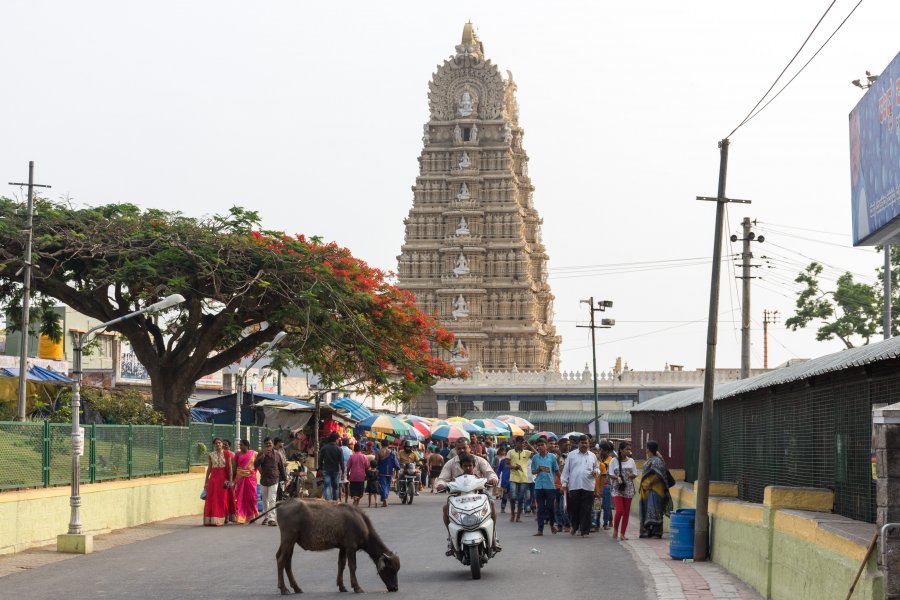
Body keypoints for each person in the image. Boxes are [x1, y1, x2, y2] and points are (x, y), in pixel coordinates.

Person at [435, 439, 500, 553]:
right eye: (459, 448)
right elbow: (442, 478)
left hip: (479, 494)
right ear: (455, 449)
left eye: (464, 448)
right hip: (457, 496)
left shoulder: (479, 460)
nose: (461, 450)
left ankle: (493, 537)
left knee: (492, 504)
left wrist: (493, 479)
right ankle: (452, 539)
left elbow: (490, 472)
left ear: (469, 447)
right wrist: (441, 485)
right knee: (446, 509)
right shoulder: (450, 463)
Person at [560, 435, 600, 537]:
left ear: (589, 443)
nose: (584, 445)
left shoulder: (592, 456)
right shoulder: (572, 455)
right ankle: (574, 526)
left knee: (586, 509)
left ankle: (585, 531)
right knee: (574, 509)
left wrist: (596, 472)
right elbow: (566, 470)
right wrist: (564, 483)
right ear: (578, 444)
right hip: (574, 486)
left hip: (588, 486)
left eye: (586, 443)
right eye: (582, 443)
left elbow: (597, 468)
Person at [639, 440, 673, 539]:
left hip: (655, 489)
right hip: (646, 491)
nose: (646, 450)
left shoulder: (657, 460)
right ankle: (647, 531)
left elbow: (659, 474)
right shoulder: (653, 459)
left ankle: (657, 532)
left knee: (655, 510)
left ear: (648, 449)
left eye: (646, 448)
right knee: (647, 510)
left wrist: (650, 483)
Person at [254, 437, 287, 526]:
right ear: (264, 445)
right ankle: (266, 516)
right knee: (264, 499)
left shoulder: (277, 454)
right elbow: (255, 464)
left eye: (270, 443)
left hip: (274, 479)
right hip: (264, 479)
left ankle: (272, 518)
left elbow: (281, 468)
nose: (268, 445)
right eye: (267, 443)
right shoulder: (261, 454)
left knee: (272, 499)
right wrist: (263, 455)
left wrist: (285, 479)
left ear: (272, 444)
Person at [530, 437, 559, 536]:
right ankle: (540, 530)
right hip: (539, 485)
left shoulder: (552, 457)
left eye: (542, 445)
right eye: (538, 445)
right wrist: (538, 470)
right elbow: (533, 471)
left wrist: (563, 482)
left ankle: (551, 525)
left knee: (550, 507)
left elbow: (556, 470)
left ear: (546, 446)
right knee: (540, 508)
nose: (540, 447)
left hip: (550, 485)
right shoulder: (535, 458)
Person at [610, 441, 638, 541]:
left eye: (630, 449)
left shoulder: (631, 461)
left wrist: (631, 475)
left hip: (629, 489)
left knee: (626, 512)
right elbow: (610, 474)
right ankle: (615, 529)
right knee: (620, 510)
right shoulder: (613, 460)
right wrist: (617, 477)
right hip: (617, 488)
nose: (629, 451)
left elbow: (635, 474)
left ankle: (622, 534)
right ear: (621, 450)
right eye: (627, 449)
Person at [203, 438, 232, 526]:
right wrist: (206, 481)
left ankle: (223, 517)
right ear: (214, 445)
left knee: (223, 498)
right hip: (213, 479)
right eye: (216, 443)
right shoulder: (211, 455)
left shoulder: (227, 453)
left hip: (223, 478)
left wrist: (230, 480)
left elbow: (230, 467)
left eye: (219, 443)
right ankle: (212, 519)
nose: (218, 444)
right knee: (213, 498)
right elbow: (209, 468)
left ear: (222, 444)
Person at [507, 436, 533, 523]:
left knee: (521, 498)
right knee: (513, 497)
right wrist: (514, 466)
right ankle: (512, 515)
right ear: (515, 443)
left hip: (523, 478)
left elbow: (537, 453)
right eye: (519, 442)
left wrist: (529, 445)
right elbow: (506, 465)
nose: (521, 444)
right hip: (513, 477)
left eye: (522, 443)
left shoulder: (527, 452)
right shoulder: (510, 452)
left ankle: (518, 517)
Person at [232, 439, 259, 524]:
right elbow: (234, 467)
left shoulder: (254, 453)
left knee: (251, 497)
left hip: (250, 478)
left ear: (247, 445)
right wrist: (232, 480)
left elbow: (257, 466)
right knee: (240, 497)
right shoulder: (237, 454)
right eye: (240, 445)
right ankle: (241, 518)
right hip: (240, 478)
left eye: (242, 445)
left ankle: (252, 516)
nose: (240, 447)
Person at [318, 433, 345, 502]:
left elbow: (320, 459)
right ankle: (335, 501)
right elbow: (342, 462)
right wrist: (343, 472)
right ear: (336, 439)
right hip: (336, 470)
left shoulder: (324, 448)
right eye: (338, 439)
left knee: (327, 485)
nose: (338, 441)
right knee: (335, 487)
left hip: (326, 469)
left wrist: (320, 468)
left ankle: (328, 501)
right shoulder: (339, 449)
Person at [376, 439, 400, 507]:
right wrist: (397, 472)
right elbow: (396, 463)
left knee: (382, 486)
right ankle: (385, 498)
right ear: (388, 445)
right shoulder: (392, 452)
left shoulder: (378, 452)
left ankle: (384, 499)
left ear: (381, 444)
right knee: (387, 486)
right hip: (389, 472)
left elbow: (376, 462)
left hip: (381, 471)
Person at [599, 442, 614, 530]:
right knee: (605, 504)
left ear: (606, 451)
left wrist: (599, 459)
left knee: (606, 505)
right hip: (601, 483)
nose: (600, 451)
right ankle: (609, 520)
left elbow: (603, 466)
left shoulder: (610, 459)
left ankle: (606, 522)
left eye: (601, 450)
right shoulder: (603, 458)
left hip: (607, 484)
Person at [222, 439, 237, 523]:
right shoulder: (219, 454)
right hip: (222, 478)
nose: (224, 446)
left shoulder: (232, 455)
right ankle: (224, 517)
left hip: (230, 479)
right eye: (223, 444)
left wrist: (233, 480)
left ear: (229, 446)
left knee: (230, 498)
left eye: (226, 445)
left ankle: (231, 517)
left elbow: (234, 468)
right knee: (223, 498)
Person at [495, 447, 510, 512]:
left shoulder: (515, 461)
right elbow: (499, 470)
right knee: (505, 495)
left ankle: (514, 509)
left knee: (513, 496)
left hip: (514, 479)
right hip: (505, 480)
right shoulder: (503, 461)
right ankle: (503, 508)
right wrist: (497, 477)